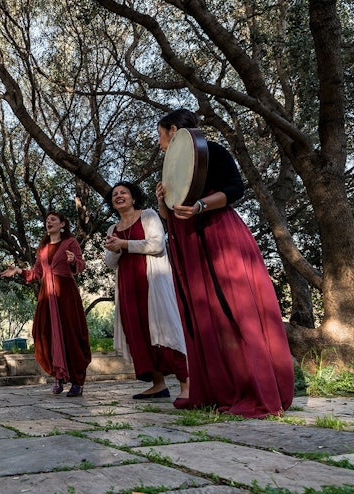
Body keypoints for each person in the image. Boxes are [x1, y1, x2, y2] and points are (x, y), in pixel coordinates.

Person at [155, 109, 294, 417]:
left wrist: (200, 206)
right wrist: (162, 200)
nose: (159, 142)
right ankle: (217, 389)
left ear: (173, 129)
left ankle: (253, 387)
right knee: (201, 316)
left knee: (231, 310)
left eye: (160, 135)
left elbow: (235, 189)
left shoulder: (210, 150)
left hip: (216, 235)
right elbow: (169, 215)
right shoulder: (171, 166)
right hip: (187, 243)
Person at [102, 182, 189, 404]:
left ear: (133, 197)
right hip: (128, 286)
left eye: (123, 192)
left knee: (166, 328)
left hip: (152, 282)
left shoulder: (148, 215)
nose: (119, 196)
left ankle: (186, 384)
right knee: (139, 333)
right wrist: (115, 248)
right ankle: (158, 385)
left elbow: (157, 245)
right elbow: (110, 262)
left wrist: (124, 243)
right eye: (115, 194)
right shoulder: (112, 229)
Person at [1, 212, 91, 397]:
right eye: (47, 220)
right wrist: (18, 271)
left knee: (71, 334)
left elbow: (81, 265)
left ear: (62, 224)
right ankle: (58, 375)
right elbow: (36, 273)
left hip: (65, 293)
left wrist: (73, 261)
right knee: (44, 334)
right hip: (46, 296)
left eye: (53, 219)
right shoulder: (42, 247)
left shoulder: (70, 242)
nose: (48, 222)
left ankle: (77, 381)